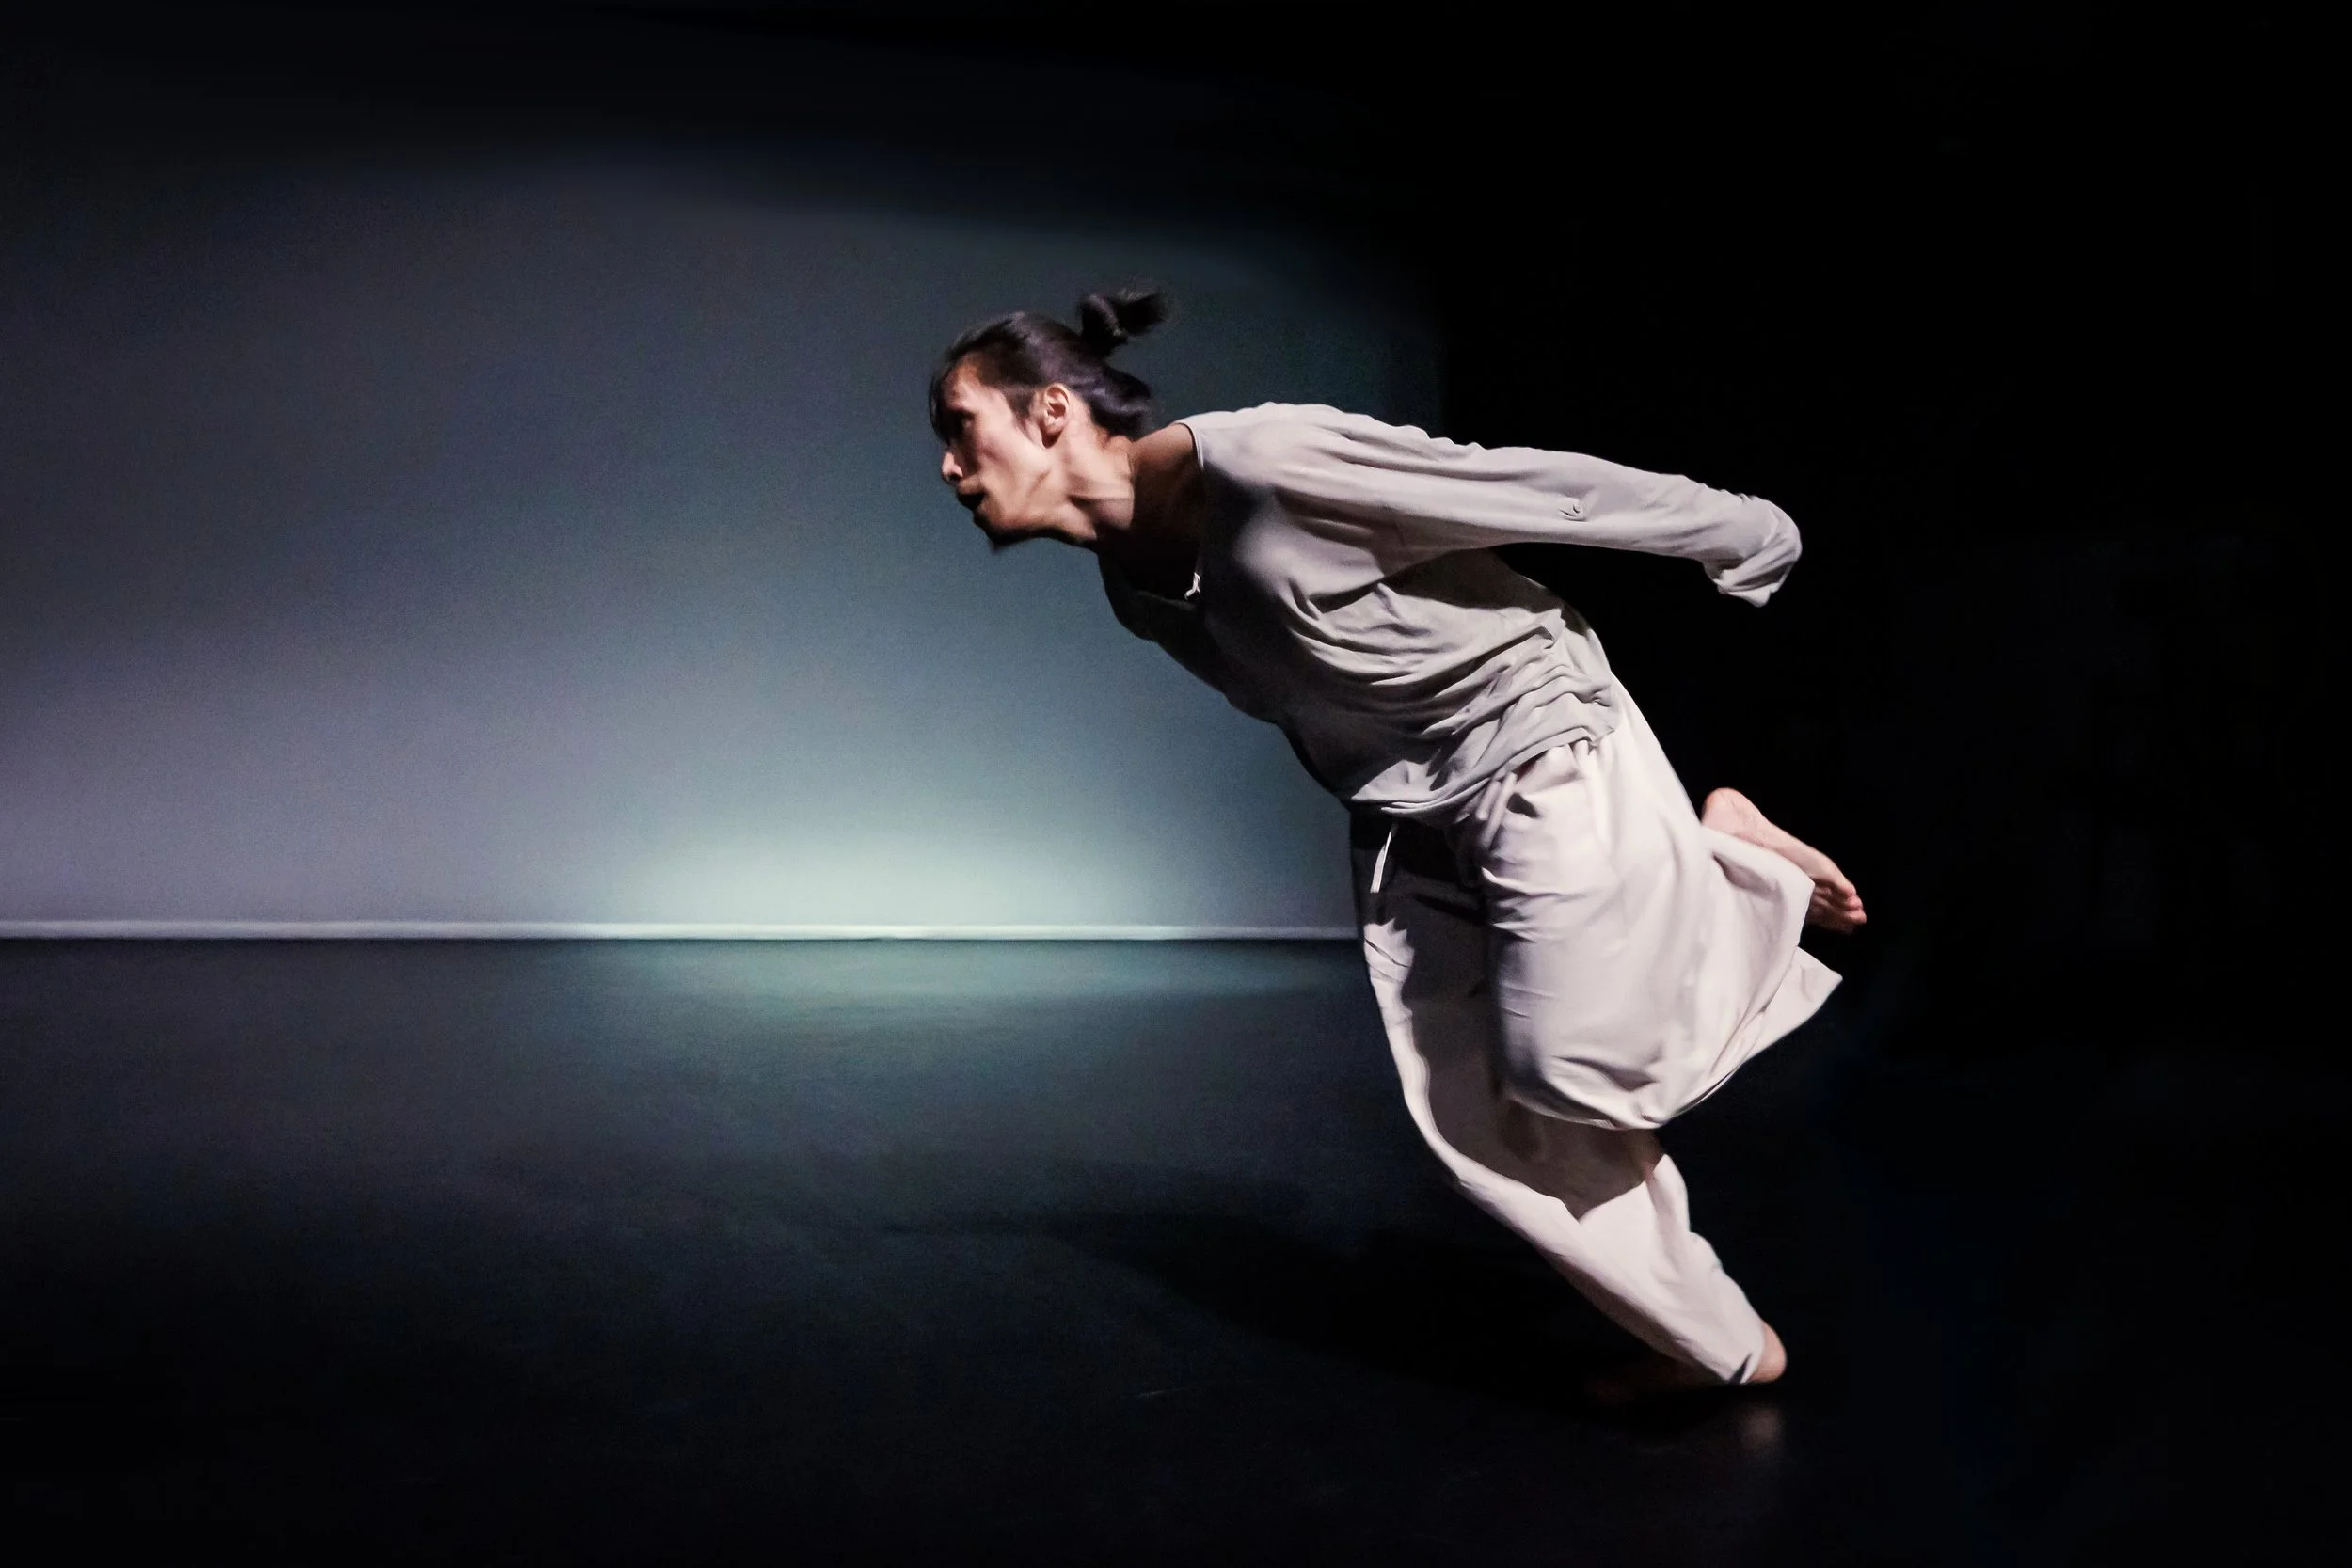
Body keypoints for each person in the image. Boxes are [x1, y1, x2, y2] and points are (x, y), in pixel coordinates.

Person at [928, 289, 1865, 1392]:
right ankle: (1724, 1346)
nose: (948, 465)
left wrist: (1743, 529)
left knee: (1572, 1062)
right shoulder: (1134, 587)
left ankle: (1728, 861)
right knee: (1473, 1119)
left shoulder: (1270, 464)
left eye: (960, 426)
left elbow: (1527, 487)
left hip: (1529, 735)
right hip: (1408, 814)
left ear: (1048, 411)